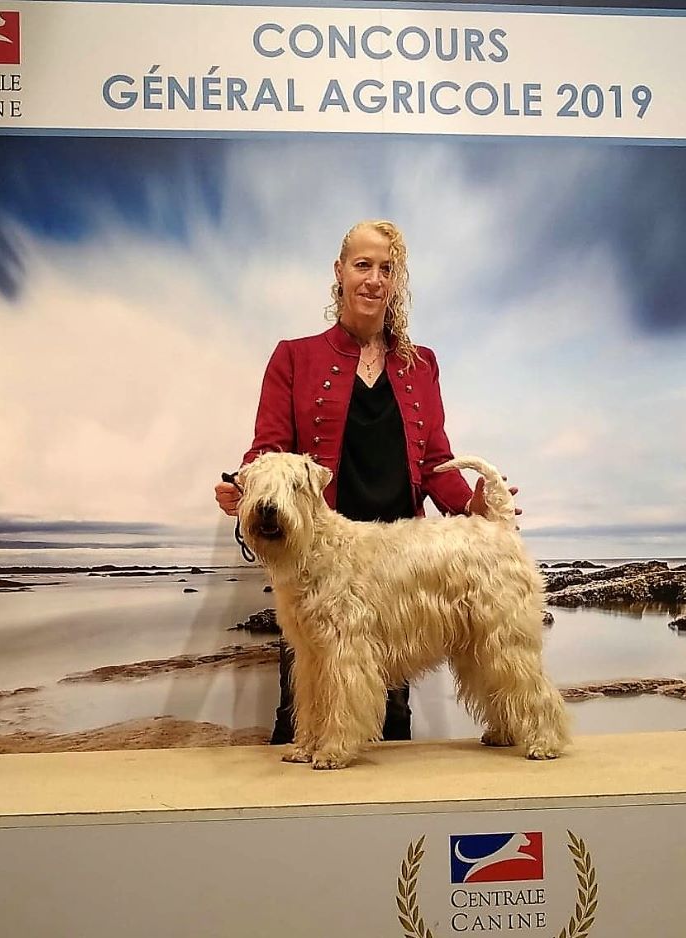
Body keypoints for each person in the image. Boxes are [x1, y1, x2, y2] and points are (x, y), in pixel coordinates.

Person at [215, 219, 515, 744]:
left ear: (397, 281)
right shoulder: (294, 356)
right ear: (339, 272)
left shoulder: (421, 365)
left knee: (391, 716)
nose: (374, 279)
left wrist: (471, 504)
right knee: (305, 702)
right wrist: (249, 491)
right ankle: (316, 747)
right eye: (362, 265)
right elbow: (269, 448)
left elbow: (435, 461)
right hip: (320, 559)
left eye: (386, 268)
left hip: (398, 562)